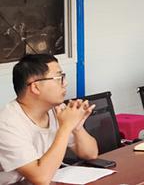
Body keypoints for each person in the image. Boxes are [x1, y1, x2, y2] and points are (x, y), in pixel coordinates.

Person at [0, 54, 98, 185]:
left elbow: (91, 153)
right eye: (59, 78)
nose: (65, 83)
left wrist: (76, 127)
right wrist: (66, 127)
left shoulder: (57, 110)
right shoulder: (7, 123)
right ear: (35, 87)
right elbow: (40, 179)